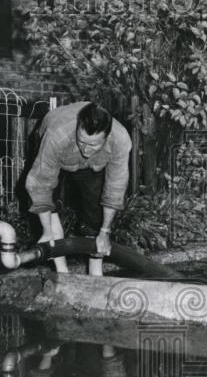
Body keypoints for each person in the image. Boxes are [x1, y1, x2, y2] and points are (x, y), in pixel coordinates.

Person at [25, 101, 131, 259]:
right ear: (77, 130)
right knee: (51, 204)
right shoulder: (57, 136)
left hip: (95, 163)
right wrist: (47, 231)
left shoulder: (120, 140)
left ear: (107, 137)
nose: (86, 150)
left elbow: (115, 189)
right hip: (56, 149)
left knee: (95, 213)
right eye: (82, 142)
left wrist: (104, 232)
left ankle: (96, 275)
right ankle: (61, 273)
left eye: (93, 145)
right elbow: (41, 185)